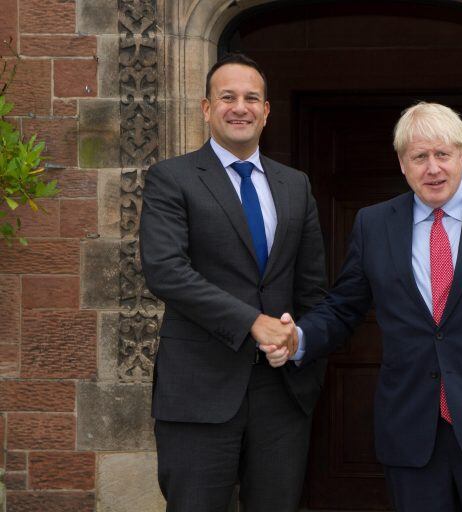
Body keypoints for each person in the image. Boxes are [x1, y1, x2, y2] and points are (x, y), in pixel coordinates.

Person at [262, 102, 462, 511]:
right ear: (402, 163)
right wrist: (299, 338)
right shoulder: (373, 223)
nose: (433, 168)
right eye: (419, 157)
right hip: (412, 430)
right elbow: (345, 306)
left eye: (442, 154)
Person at [139, 53, 327, 512]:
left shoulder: (295, 185)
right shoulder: (172, 178)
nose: (239, 107)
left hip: (281, 395)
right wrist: (252, 323)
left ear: (266, 112)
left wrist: (297, 338)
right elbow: (166, 270)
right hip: (199, 392)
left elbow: (313, 287)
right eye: (227, 97)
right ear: (206, 109)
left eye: (251, 98)